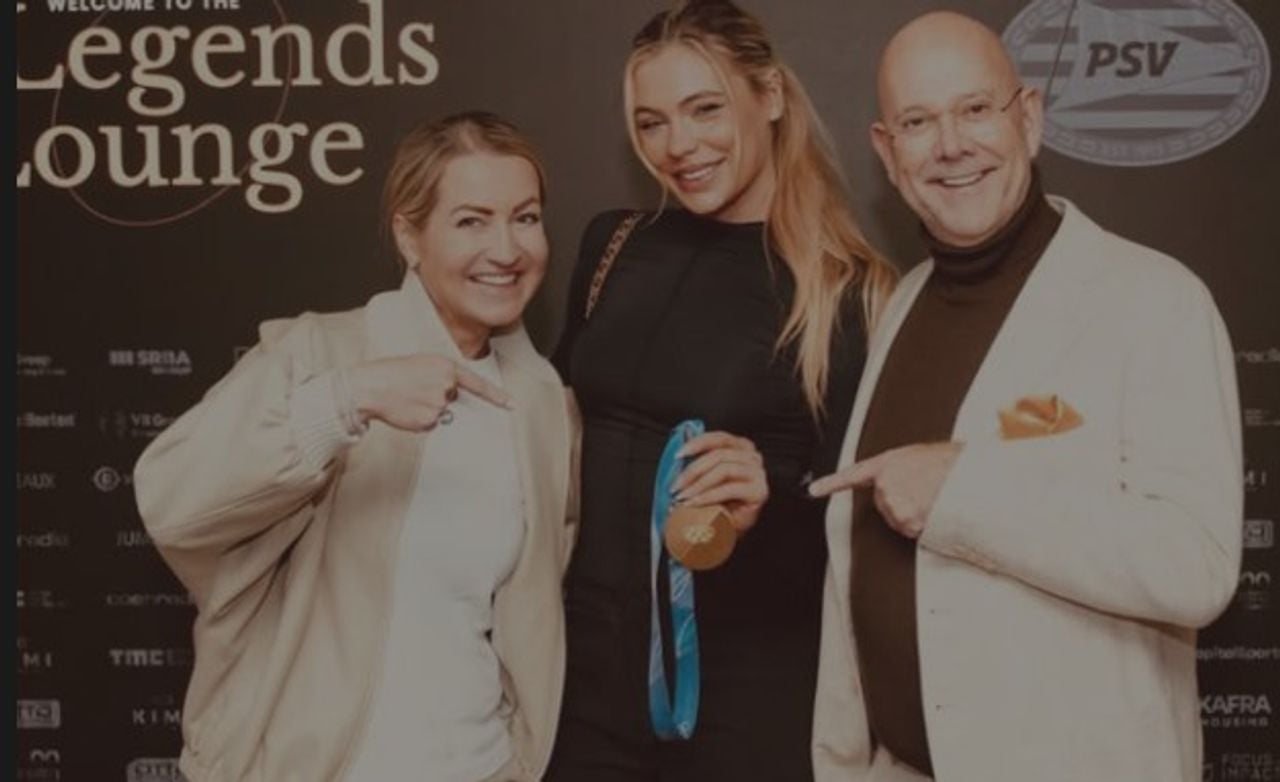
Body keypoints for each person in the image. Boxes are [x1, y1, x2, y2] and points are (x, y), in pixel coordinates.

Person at [808, 11, 1243, 782]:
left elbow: (1197, 564)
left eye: (976, 109)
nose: (950, 146)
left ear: (1030, 117)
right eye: (918, 121)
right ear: (887, 150)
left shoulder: (1154, 301)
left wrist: (964, 493)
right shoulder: (903, 301)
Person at [133, 112, 575, 782]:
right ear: (409, 234)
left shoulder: (543, 403)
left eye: (526, 216)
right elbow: (172, 502)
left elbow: (531, 613)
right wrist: (346, 400)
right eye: (471, 220)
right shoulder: (320, 353)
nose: (507, 248)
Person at [546, 2, 896, 780]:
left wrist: (769, 496)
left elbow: (860, 541)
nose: (680, 146)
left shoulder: (846, 291)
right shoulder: (613, 245)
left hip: (749, 698)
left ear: (769, 96)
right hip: (584, 690)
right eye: (652, 122)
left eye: (705, 109)